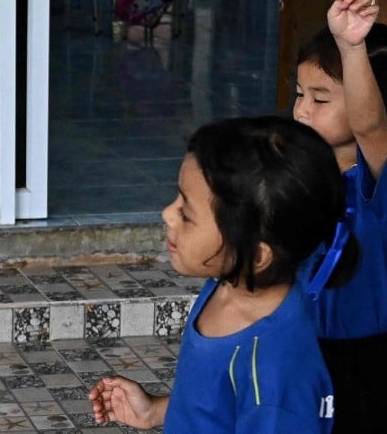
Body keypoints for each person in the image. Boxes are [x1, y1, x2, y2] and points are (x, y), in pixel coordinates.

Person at [89, 116, 357, 432]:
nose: (167, 214)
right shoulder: (227, 286)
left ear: (257, 256)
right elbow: (215, 404)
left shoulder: (274, 369)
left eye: (186, 214)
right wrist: (155, 411)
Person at [293, 0, 387, 432]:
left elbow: (370, 127)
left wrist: (352, 50)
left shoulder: (375, 182)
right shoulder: (299, 177)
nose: (302, 110)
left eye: (321, 98)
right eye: (299, 93)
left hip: (365, 356)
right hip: (305, 343)